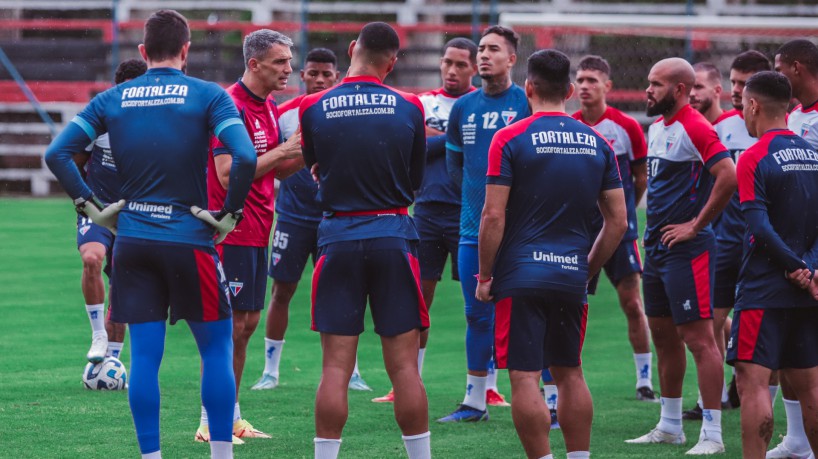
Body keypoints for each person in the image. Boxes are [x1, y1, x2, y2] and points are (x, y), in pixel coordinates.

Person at [45, 9, 257, 459]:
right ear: (186, 50)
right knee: (216, 351)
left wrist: (93, 210)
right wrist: (230, 215)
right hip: (190, 237)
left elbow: (57, 153)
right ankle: (221, 454)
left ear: (143, 52)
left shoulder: (113, 98)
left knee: (144, 359)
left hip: (136, 241)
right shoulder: (209, 95)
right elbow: (244, 156)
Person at [476, 48, 626, 459]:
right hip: (570, 276)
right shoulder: (598, 143)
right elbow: (619, 222)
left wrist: (485, 277)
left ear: (528, 88)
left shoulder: (509, 138)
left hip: (521, 276)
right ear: (572, 91)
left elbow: (492, 215)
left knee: (524, 378)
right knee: (570, 373)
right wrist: (587, 269)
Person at [299, 22, 430, 459]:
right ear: (391, 63)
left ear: (353, 48)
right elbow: (413, 182)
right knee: (405, 369)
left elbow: (315, 168)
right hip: (392, 234)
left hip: (337, 236)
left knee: (335, 368)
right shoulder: (410, 106)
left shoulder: (313, 106)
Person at [195, 29, 304, 443]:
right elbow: (227, 175)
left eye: (289, 61)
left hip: (259, 230)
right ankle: (210, 421)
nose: (288, 69)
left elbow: (272, 169)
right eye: (280, 61)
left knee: (246, 325)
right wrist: (283, 151)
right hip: (230, 231)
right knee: (227, 327)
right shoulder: (229, 106)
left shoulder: (268, 107)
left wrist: (309, 153)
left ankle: (233, 414)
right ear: (254, 64)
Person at [625, 57, 736, 455]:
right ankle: (670, 425)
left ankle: (713, 434)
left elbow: (728, 175)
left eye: (656, 84)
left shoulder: (695, 126)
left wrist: (695, 225)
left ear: (679, 90)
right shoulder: (657, 127)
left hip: (687, 250)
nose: (648, 91)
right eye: (649, 82)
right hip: (657, 249)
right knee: (664, 338)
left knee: (700, 340)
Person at [252, 47, 372, 393]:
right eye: (313, 73)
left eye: (326, 74)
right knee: (282, 290)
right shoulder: (283, 114)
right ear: (302, 75)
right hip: (292, 217)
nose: (319, 80)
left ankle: (351, 371)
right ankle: (270, 371)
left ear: (337, 76)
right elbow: (272, 168)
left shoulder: (344, 110)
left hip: (335, 218)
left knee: (344, 292)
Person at [373, 37, 478, 404]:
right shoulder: (422, 103)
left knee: (479, 302)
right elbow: (413, 144)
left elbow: (471, 148)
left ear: (474, 68)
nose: (451, 69)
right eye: (447, 62)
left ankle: (486, 387)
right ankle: (406, 382)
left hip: (471, 213)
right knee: (418, 302)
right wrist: (456, 138)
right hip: (428, 212)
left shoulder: (477, 105)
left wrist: (439, 139)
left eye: (460, 64)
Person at [440, 25, 530, 422]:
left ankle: (549, 401)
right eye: (481, 48)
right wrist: (479, 203)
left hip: (521, 232)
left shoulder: (525, 103)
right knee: (476, 314)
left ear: (512, 59)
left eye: (494, 49)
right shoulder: (463, 108)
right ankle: (475, 401)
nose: (483, 55)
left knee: (530, 313)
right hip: (471, 228)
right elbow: (455, 166)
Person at [727, 69, 818, 459]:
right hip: (807, 288)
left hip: (764, 287)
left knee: (754, 382)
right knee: (810, 386)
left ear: (753, 105)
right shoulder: (814, 154)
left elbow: (758, 227)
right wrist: (809, 269)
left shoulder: (753, 156)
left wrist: (793, 265)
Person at [685, 53, 771, 420]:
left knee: (769, 331)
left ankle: (769, 404)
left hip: (764, 246)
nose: (737, 90)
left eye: (743, 82)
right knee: (710, 324)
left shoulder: (776, 130)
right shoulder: (718, 130)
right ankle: (719, 395)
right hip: (722, 243)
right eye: (733, 82)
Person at [571, 54, 656, 402]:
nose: (585, 86)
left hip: (621, 232)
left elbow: (639, 177)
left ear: (607, 86)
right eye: (580, 80)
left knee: (632, 303)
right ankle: (568, 377)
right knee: (571, 303)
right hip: (578, 231)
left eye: (592, 80)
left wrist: (622, 216)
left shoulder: (626, 127)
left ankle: (644, 379)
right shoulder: (569, 124)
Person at [76, 58, 146, 363]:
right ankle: (97, 334)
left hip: (136, 215)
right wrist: (84, 202)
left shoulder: (155, 125)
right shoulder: (99, 120)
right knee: (92, 258)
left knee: (123, 287)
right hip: (98, 208)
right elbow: (72, 162)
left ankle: (112, 364)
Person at [768, 38, 818, 459]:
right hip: (793, 253)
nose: (773, 75)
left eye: (778, 67)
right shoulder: (794, 117)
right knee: (793, 352)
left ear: (798, 68)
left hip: (811, 254)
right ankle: (797, 440)